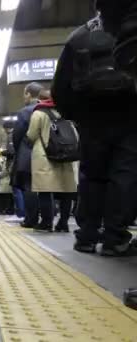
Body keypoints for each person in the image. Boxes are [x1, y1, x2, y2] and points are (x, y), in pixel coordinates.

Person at [52, 12, 137, 256]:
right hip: (130, 115)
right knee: (125, 177)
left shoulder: (79, 36)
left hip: (91, 117)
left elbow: (60, 87)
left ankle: (86, 237)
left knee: (91, 177)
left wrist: (76, 116)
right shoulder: (131, 30)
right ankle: (114, 239)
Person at [25, 97, 78, 232]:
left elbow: (31, 135)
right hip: (66, 155)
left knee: (45, 190)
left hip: (45, 156)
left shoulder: (39, 113)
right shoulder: (66, 112)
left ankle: (46, 223)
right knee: (66, 191)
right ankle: (63, 223)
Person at [11, 82, 44, 228]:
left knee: (28, 186)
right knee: (43, 188)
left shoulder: (25, 111)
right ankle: (46, 220)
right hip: (46, 153)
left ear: (29, 94)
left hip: (28, 153)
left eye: (24, 93)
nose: (24, 97)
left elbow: (17, 135)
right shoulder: (46, 109)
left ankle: (31, 219)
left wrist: (19, 150)